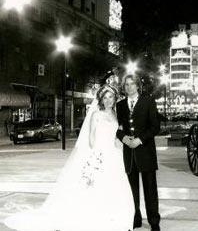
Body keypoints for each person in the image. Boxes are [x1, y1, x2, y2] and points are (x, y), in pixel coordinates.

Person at [4, 84, 134, 231]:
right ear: (101, 99)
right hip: (100, 153)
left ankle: (113, 215)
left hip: (113, 154)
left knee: (114, 185)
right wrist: (97, 155)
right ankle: (95, 216)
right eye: (105, 97)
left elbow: (116, 135)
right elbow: (91, 138)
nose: (108, 100)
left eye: (111, 97)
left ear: (115, 98)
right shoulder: (96, 114)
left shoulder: (115, 115)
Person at [116, 74, 161, 231]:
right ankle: (136, 218)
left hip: (146, 152)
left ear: (137, 86)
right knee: (132, 189)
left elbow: (155, 127)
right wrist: (123, 138)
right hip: (129, 154)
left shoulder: (148, 101)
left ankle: (154, 221)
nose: (129, 87)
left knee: (150, 189)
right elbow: (117, 128)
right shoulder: (120, 105)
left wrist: (140, 139)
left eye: (132, 84)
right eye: (126, 84)